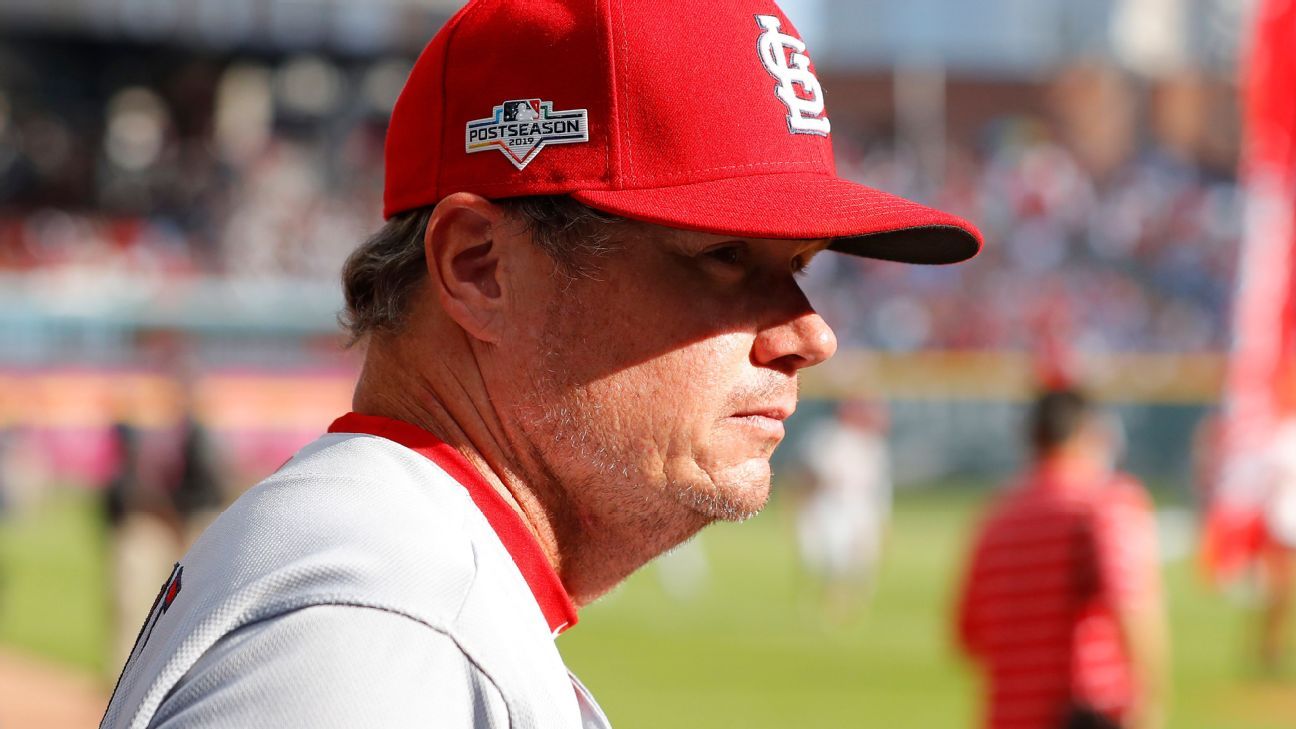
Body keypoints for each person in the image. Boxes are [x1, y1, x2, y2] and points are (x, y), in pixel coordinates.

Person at [101, 1, 981, 727]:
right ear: (479, 267)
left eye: (797, 268)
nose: (811, 334)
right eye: (723, 256)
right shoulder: (386, 635)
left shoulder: (398, 571)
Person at [955, 389, 1168, 729]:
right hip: (1085, 712)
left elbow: (968, 635)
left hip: (1008, 715)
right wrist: (1148, 703)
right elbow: (1131, 605)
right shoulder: (1103, 503)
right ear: (1090, 433)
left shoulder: (995, 518)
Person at [794, 399, 892, 621]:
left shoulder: (872, 444)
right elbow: (810, 474)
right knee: (832, 557)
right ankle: (829, 602)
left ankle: (852, 604)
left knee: (862, 559)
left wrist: (882, 520)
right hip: (832, 504)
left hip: (861, 506)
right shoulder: (827, 437)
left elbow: (879, 487)